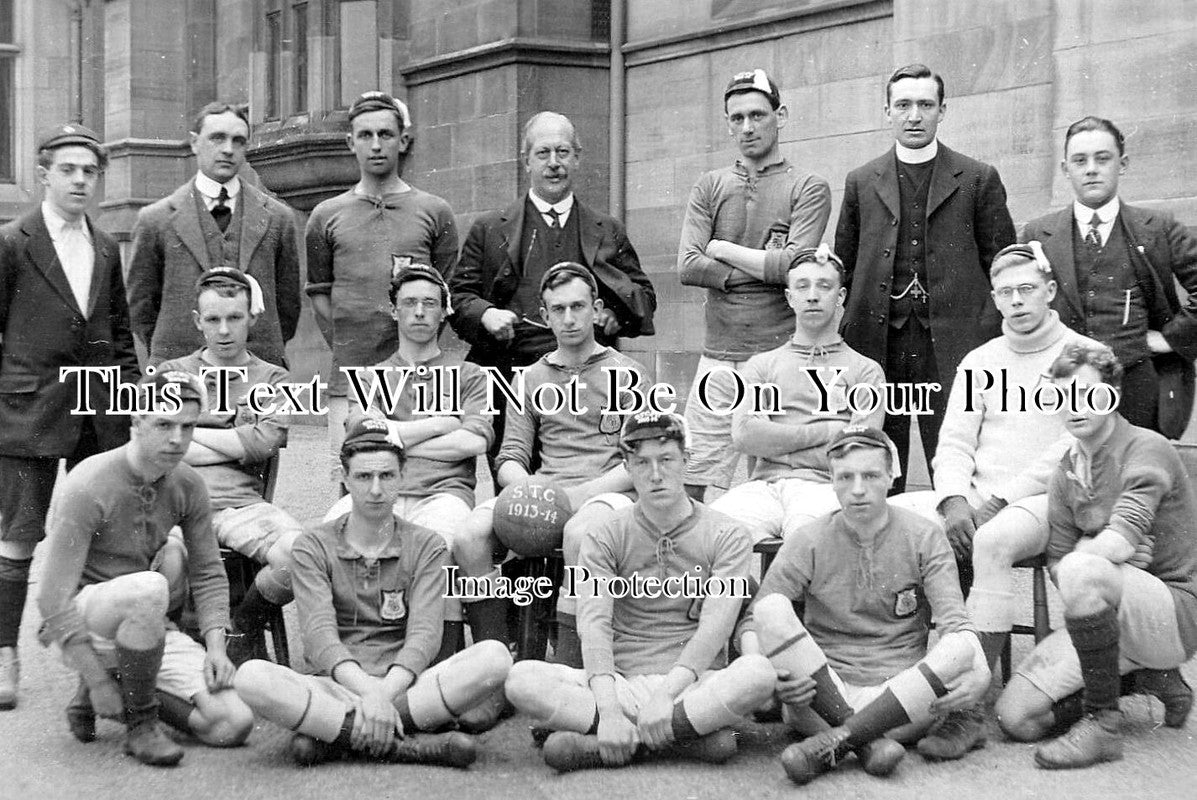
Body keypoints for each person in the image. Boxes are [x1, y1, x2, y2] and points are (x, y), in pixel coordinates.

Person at [232, 416, 513, 767]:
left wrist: (382, 694)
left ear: (402, 478)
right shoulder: (312, 546)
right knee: (251, 678)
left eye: (386, 476)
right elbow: (319, 638)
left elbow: (425, 635)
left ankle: (337, 734)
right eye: (364, 477)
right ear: (346, 480)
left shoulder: (426, 544)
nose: (376, 489)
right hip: (337, 685)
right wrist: (370, 694)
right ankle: (403, 746)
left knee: (495, 657)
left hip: (406, 684)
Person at [504, 410, 775, 771]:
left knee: (758, 673)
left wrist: (665, 697)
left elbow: (716, 628)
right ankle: (687, 741)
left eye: (666, 460)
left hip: (691, 685)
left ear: (686, 462)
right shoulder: (605, 533)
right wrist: (610, 709)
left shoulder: (727, 533)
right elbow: (595, 625)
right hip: (622, 682)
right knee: (521, 680)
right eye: (642, 462)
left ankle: (610, 743)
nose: (656, 473)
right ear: (627, 468)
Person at [740, 426, 990, 785]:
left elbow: (954, 621)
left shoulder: (924, 535)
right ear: (832, 481)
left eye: (871, 475)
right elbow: (756, 617)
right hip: (824, 691)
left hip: (899, 691)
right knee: (771, 608)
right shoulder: (808, 539)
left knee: (962, 646)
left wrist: (980, 671)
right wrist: (769, 678)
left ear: (891, 476)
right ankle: (866, 740)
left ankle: (840, 741)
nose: (858, 489)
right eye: (846, 477)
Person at [890, 242, 1103, 648]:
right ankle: (897, 653)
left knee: (992, 539)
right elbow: (953, 441)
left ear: (1051, 290)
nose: (1017, 301)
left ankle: (976, 684)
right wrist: (953, 499)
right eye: (1006, 293)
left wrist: (1000, 501)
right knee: (889, 518)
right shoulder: (980, 360)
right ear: (995, 300)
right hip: (976, 496)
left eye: (1027, 289)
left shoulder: (1087, 356)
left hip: (1048, 499)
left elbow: (1071, 446)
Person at [35, 372, 253, 766]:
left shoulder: (187, 483)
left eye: (188, 427)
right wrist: (99, 682)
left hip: (144, 620)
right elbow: (51, 597)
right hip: (82, 622)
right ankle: (140, 724)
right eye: (164, 424)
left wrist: (217, 648)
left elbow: (206, 571)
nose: (177, 439)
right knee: (151, 585)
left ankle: (127, 679)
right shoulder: (89, 482)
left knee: (231, 723)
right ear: (135, 422)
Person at [995, 344, 1196, 769]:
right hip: (1109, 613)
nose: (1075, 407)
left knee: (1086, 569)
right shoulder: (1065, 471)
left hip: (1173, 612)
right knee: (1016, 718)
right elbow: (1059, 565)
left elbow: (1116, 543)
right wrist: (1104, 555)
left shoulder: (1147, 447)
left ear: (1112, 396)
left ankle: (1102, 724)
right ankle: (1144, 680)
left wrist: (1103, 555)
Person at [0, 123, 139, 711]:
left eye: (90, 171)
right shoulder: (12, 242)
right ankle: (4, 655)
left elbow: (120, 334)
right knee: (18, 538)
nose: (81, 180)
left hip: (96, 411)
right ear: (44, 174)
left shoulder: (106, 247)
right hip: (27, 411)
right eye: (68, 170)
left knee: (96, 536)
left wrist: (129, 401)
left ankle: (91, 657)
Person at [835, 63, 1016, 491]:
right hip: (878, 344)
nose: (914, 115)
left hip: (952, 344)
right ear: (887, 112)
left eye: (924, 104)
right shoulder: (861, 181)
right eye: (903, 105)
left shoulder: (977, 177)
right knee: (878, 459)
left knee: (953, 461)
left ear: (942, 110)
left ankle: (958, 558)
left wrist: (986, 332)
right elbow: (845, 265)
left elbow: (1003, 263)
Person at [452, 262, 646, 658]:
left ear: (596, 309)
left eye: (578, 306)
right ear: (544, 316)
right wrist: (528, 489)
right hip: (544, 492)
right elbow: (510, 457)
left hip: (605, 494)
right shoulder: (530, 378)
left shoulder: (628, 373)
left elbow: (637, 462)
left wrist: (572, 498)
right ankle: (494, 657)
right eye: (558, 309)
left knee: (579, 535)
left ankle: (572, 665)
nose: (570, 318)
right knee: (469, 535)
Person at [449, 111, 656, 473]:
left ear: (577, 157)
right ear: (525, 160)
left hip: (589, 382)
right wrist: (487, 313)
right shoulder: (489, 229)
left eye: (563, 152)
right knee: (517, 489)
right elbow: (459, 296)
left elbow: (644, 296)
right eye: (543, 153)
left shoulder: (606, 228)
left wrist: (613, 314)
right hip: (513, 374)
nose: (554, 164)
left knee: (593, 472)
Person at [326, 263, 493, 693]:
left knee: (441, 542)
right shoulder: (371, 376)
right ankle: (358, 658)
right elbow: (362, 440)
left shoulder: (470, 375)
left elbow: (472, 442)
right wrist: (440, 423)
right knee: (333, 530)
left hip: (443, 492)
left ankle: (443, 664)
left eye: (430, 304)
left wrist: (393, 435)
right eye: (409, 303)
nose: (419, 312)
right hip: (379, 492)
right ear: (394, 311)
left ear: (444, 313)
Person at [678, 69, 831, 501]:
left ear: (780, 115)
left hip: (781, 356)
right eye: (737, 117)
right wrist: (768, 268)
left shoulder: (808, 186)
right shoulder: (710, 185)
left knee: (780, 481)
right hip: (718, 358)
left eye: (758, 115)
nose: (747, 127)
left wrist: (722, 249)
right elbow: (689, 265)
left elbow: (794, 267)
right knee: (693, 479)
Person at [305, 91, 460, 464]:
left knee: (422, 474)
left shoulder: (434, 211)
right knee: (356, 480)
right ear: (350, 143)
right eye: (365, 135)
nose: (376, 145)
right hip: (352, 376)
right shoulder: (326, 216)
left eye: (386, 135)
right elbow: (320, 298)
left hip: (419, 378)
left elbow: (446, 295)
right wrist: (350, 346)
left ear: (403, 140)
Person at [156, 267, 301, 664]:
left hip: (241, 507)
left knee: (302, 555)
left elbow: (263, 442)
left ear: (252, 317)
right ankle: (176, 649)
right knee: (157, 563)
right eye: (213, 319)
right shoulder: (172, 374)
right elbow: (159, 445)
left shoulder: (274, 378)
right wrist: (237, 442)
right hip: (174, 506)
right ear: (197, 321)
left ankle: (244, 626)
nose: (224, 330)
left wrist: (188, 433)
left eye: (234, 318)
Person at [1022, 116, 1197, 438]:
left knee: (1136, 476)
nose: (1091, 169)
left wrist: (1170, 337)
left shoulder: (1158, 227)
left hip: (1138, 386)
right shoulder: (1037, 234)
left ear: (1123, 164)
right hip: (1063, 389)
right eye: (1080, 160)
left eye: (1103, 158)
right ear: (1065, 169)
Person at [709, 244, 885, 543]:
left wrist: (777, 442)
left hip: (825, 489)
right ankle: (756, 593)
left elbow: (858, 453)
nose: (813, 295)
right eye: (802, 286)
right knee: (707, 536)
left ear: (840, 296)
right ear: (790, 297)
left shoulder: (865, 371)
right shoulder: (762, 365)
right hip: (764, 488)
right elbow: (744, 436)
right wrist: (830, 430)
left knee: (805, 542)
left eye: (824, 286)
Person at [127, 102, 300, 368]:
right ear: (195, 143)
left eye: (238, 141)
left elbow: (288, 307)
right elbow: (141, 308)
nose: (228, 150)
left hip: (259, 374)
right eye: (217, 138)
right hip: (180, 374)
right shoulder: (156, 220)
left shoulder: (278, 217)